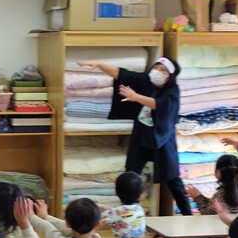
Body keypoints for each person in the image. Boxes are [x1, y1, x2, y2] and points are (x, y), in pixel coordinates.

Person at [77, 57, 192, 215]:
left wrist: (136, 97)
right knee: (130, 175)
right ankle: (131, 214)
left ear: (170, 76)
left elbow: (160, 104)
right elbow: (122, 74)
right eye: (156, 67)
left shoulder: (173, 91)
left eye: (163, 70)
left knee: (173, 179)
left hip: (163, 138)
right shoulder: (146, 80)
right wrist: (99, 65)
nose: (157, 71)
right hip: (141, 133)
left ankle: (188, 214)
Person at [186, 154, 238, 238]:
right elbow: (214, 209)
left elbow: (206, 215)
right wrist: (200, 196)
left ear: (219, 172)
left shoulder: (221, 195)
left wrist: (197, 197)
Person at [101, 171, 147, 238]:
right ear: (140, 195)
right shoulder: (140, 209)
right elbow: (123, 214)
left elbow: (100, 219)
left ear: (116, 192)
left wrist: (96, 207)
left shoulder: (115, 213)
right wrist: (109, 209)